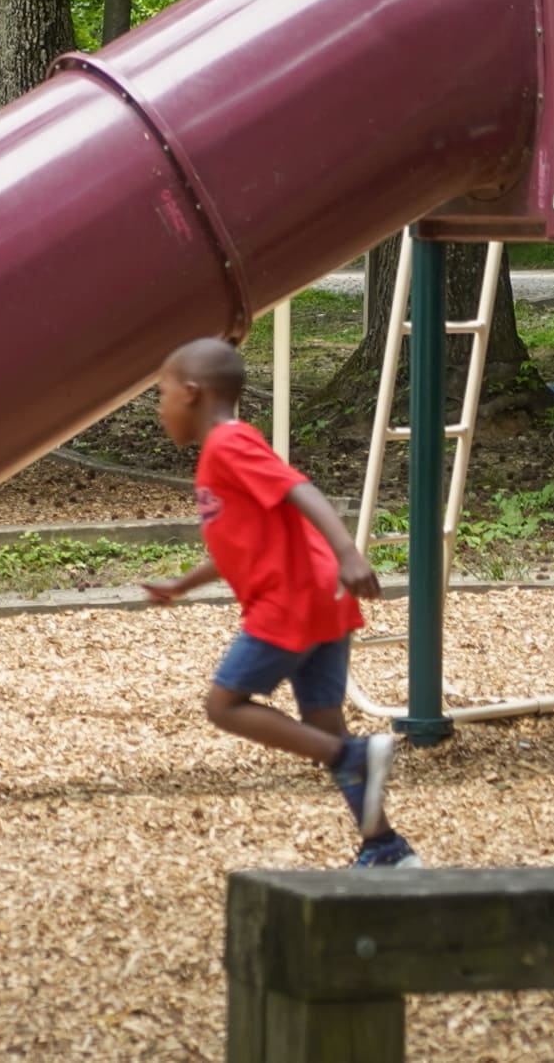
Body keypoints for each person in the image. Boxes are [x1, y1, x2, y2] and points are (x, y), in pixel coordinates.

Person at [140, 338, 418, 870]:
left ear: (192, 393)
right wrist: (181, 585)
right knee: (323, 724)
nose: (160, 407)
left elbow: (300, 490)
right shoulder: (223, 455)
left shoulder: (229, 444)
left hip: (290, 602)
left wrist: (348, 553)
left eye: (162, 393)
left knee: (224, 706)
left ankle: (350, 757)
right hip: (319, 602)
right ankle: (385, 845)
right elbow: (237, 546)